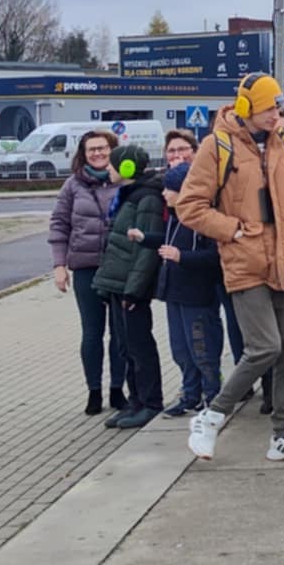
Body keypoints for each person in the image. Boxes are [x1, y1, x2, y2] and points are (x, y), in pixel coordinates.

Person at [179, 73, 284, 465]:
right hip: (246, 262)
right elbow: (190, 206)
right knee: (265, 347)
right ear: (247, 107)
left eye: (278, 106)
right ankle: (211, 417)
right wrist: (233, 231)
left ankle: (283, 435)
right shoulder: (216, 146)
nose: (277, 113)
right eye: (270, 106)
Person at [49, 129, 124, 414]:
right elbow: (59, 225)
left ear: (112, 150)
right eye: (92, 149)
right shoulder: (73, 186)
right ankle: (94, 391)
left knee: (120, 333)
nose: (98, 154)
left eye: (103, 148)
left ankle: (118, 390)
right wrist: (59, 265)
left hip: (118, 267)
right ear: (84, 154)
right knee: (92, 332)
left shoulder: (124, 181)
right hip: (86, 268)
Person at [93, 144, 167, 428]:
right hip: (118, 284)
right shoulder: (128, 196)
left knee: (139, 346)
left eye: (112, 165)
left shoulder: (146, 198)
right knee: (125, 347)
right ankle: (135, 401)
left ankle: (150, 402)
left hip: (131, 288)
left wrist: (134, 290)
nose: (107, 170)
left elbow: (145, 250)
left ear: (126, 168)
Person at [156, 130, 221, 418]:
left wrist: (182, 257)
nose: (164, 194)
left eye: (169, 190)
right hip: (175, 292)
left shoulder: (201, 219)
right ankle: (190, 393)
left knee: (202, 348)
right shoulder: (172, 218)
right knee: (180, 350)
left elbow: (214, 256)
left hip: (197, 293)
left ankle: (213, 395)